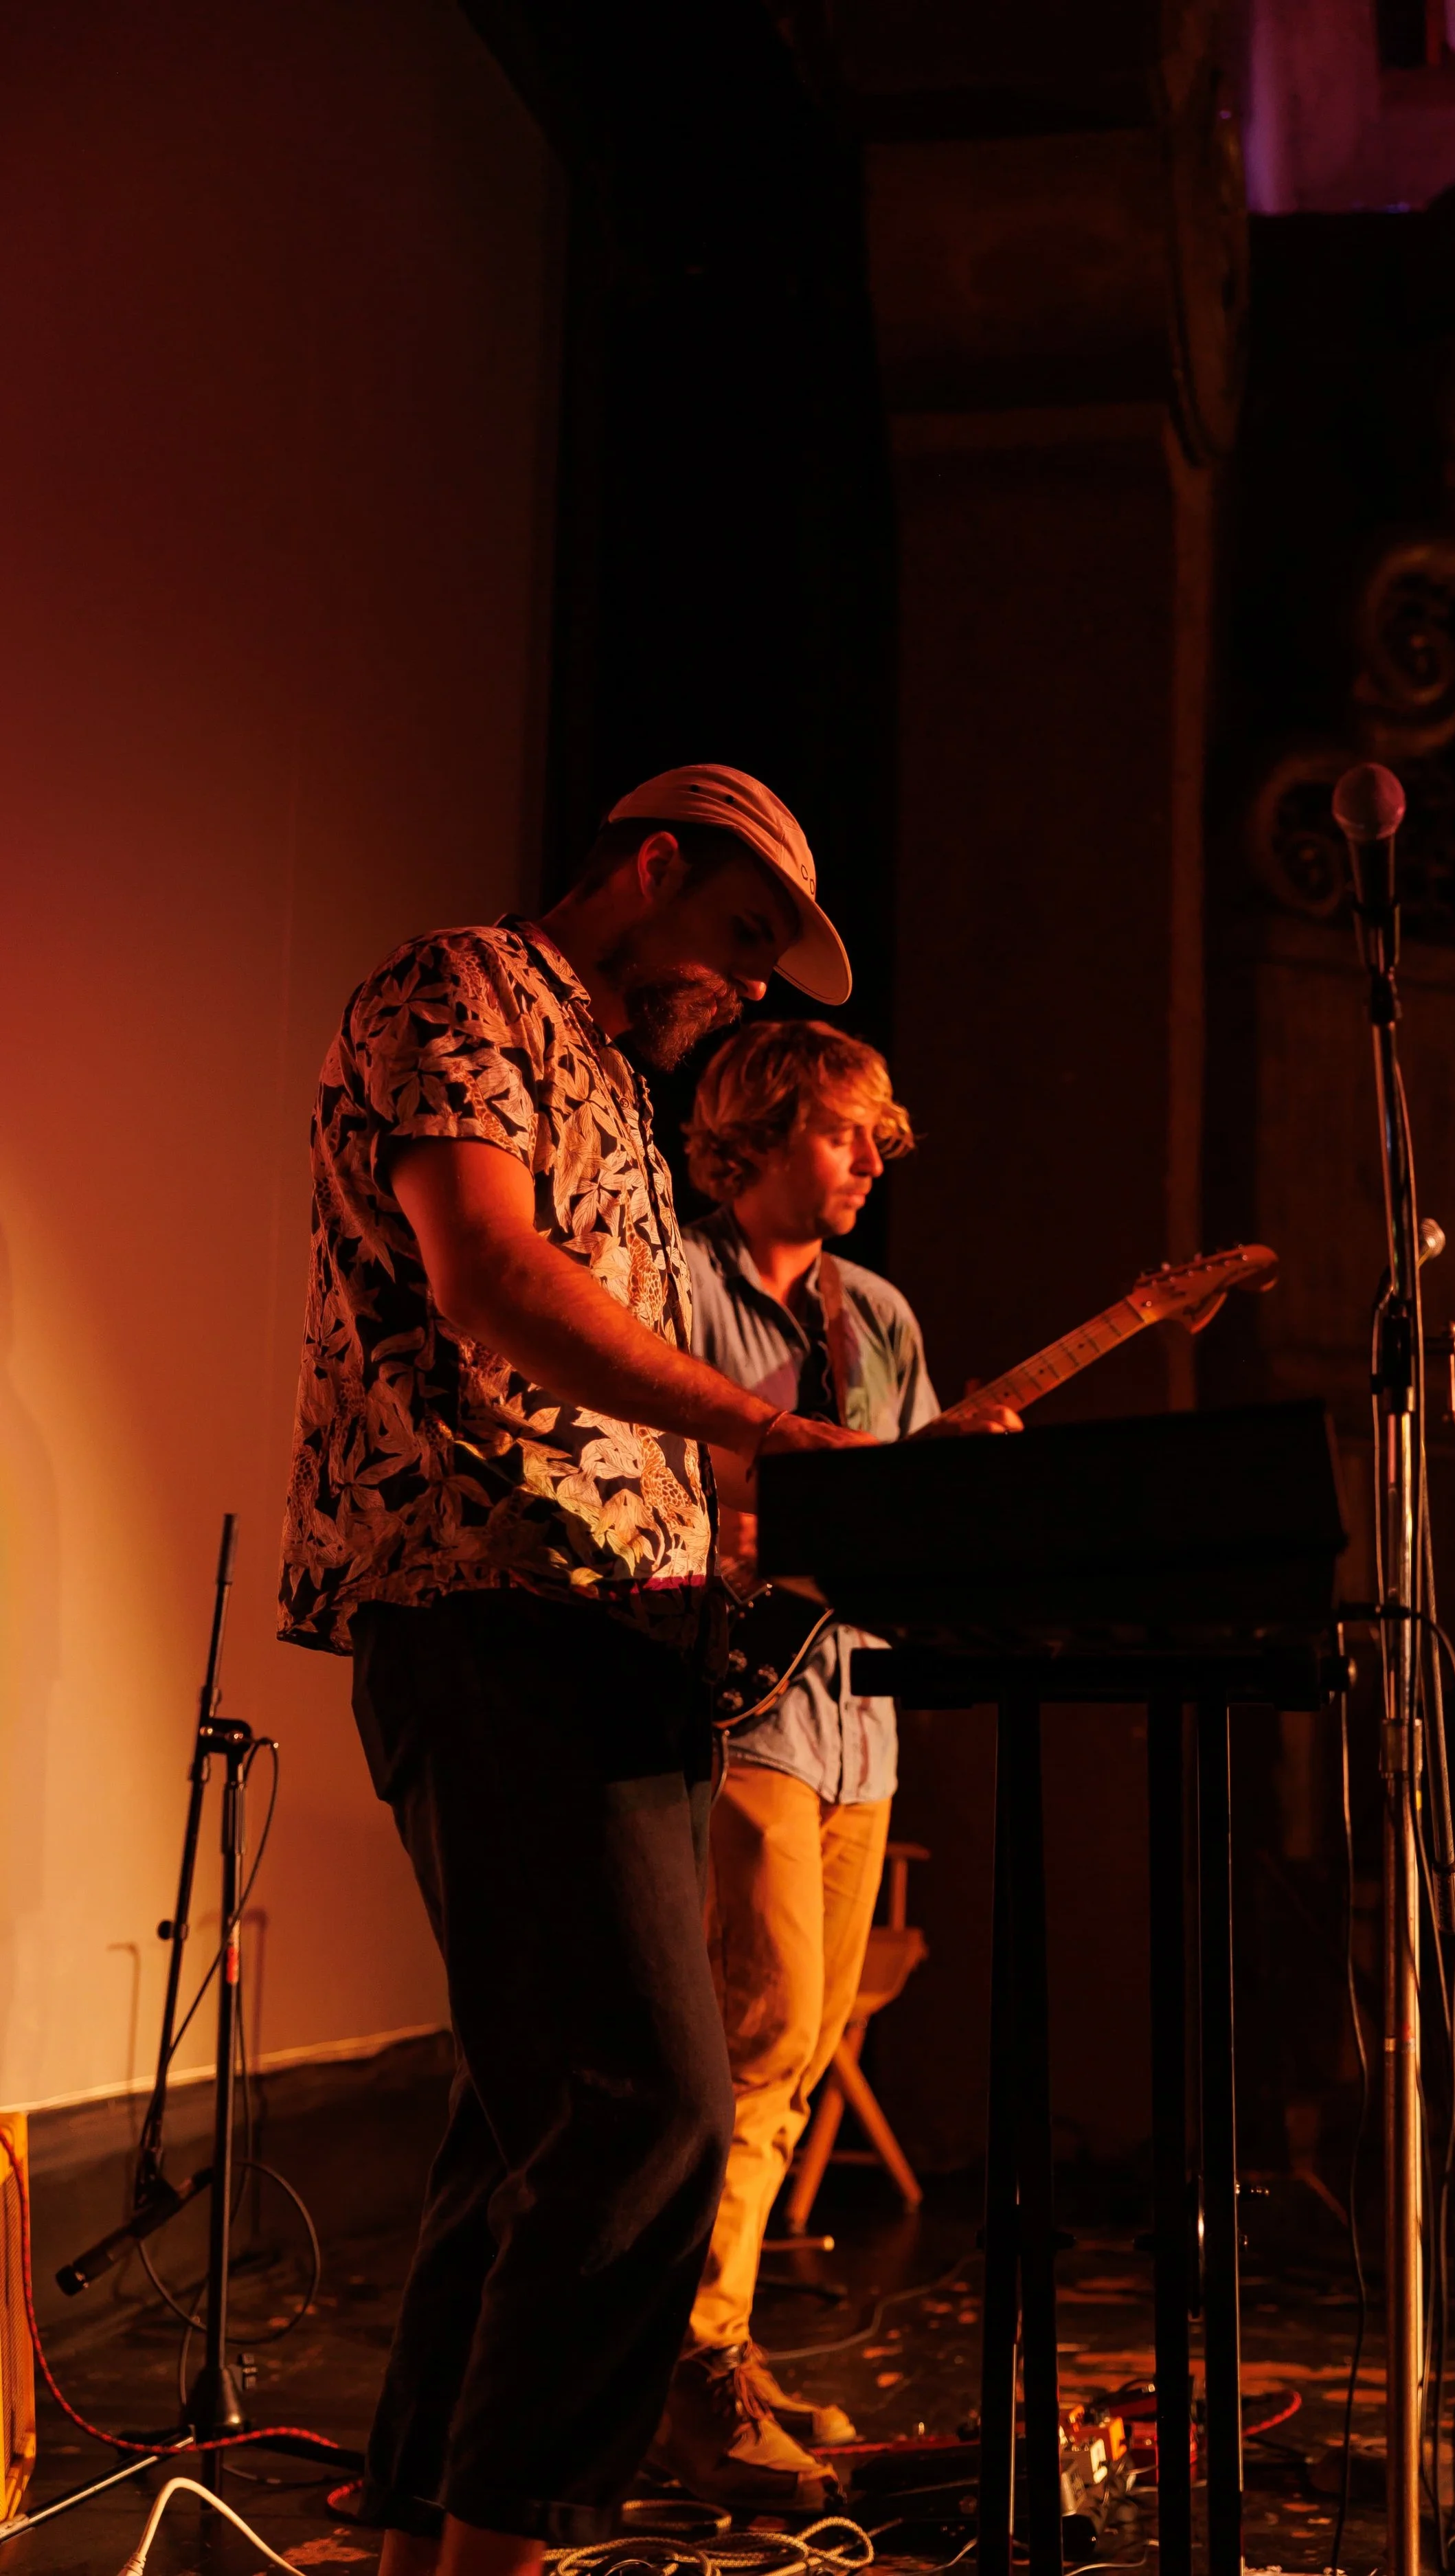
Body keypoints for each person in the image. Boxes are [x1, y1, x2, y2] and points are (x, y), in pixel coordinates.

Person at [278, 767, 873, 2576]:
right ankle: (502, 2554)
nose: (751, 987)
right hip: (493, 1607)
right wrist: (755, 1433)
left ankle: (418, 2544)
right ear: (648, 865)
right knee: (644, 2112)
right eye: (741, 936)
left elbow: (607, 1394)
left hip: (616, 1630)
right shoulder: (458, 987)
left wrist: (737, 1525)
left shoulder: (615, 1081)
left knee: (527, 2127)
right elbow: (489, 1278)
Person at [651, 1020, 1018, 2509]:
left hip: (858, 1717)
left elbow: (905, 1525)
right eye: (842, 1130)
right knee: (763, 2031)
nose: (872, 1158)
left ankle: (718, 2351)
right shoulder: (677, 1283)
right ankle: (683, 2368)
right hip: (738, 1709)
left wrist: (962, 1475)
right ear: (754, 1132)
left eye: (881, 1136)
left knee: (799, 2060)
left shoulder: (879, 1314)